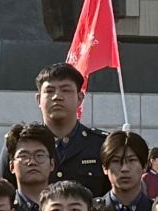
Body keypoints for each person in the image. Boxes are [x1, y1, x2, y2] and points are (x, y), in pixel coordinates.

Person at [34, 62, 107, 193]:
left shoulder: (101, 144)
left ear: (80, 98)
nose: (57, 97)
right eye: (49, 91)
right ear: (39, 99)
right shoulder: (21, 144)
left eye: (66, 90)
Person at [98, 128, 157, 211]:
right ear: (105, 168)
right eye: (116, 161)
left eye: (131, 160)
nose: (124, 168)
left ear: (144, 166)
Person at [4, 123, 55, 211]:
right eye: (23, 155)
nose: (31, 162)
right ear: (11, 166)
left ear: (52, 164)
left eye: (39, 155)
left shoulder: (65, 210)